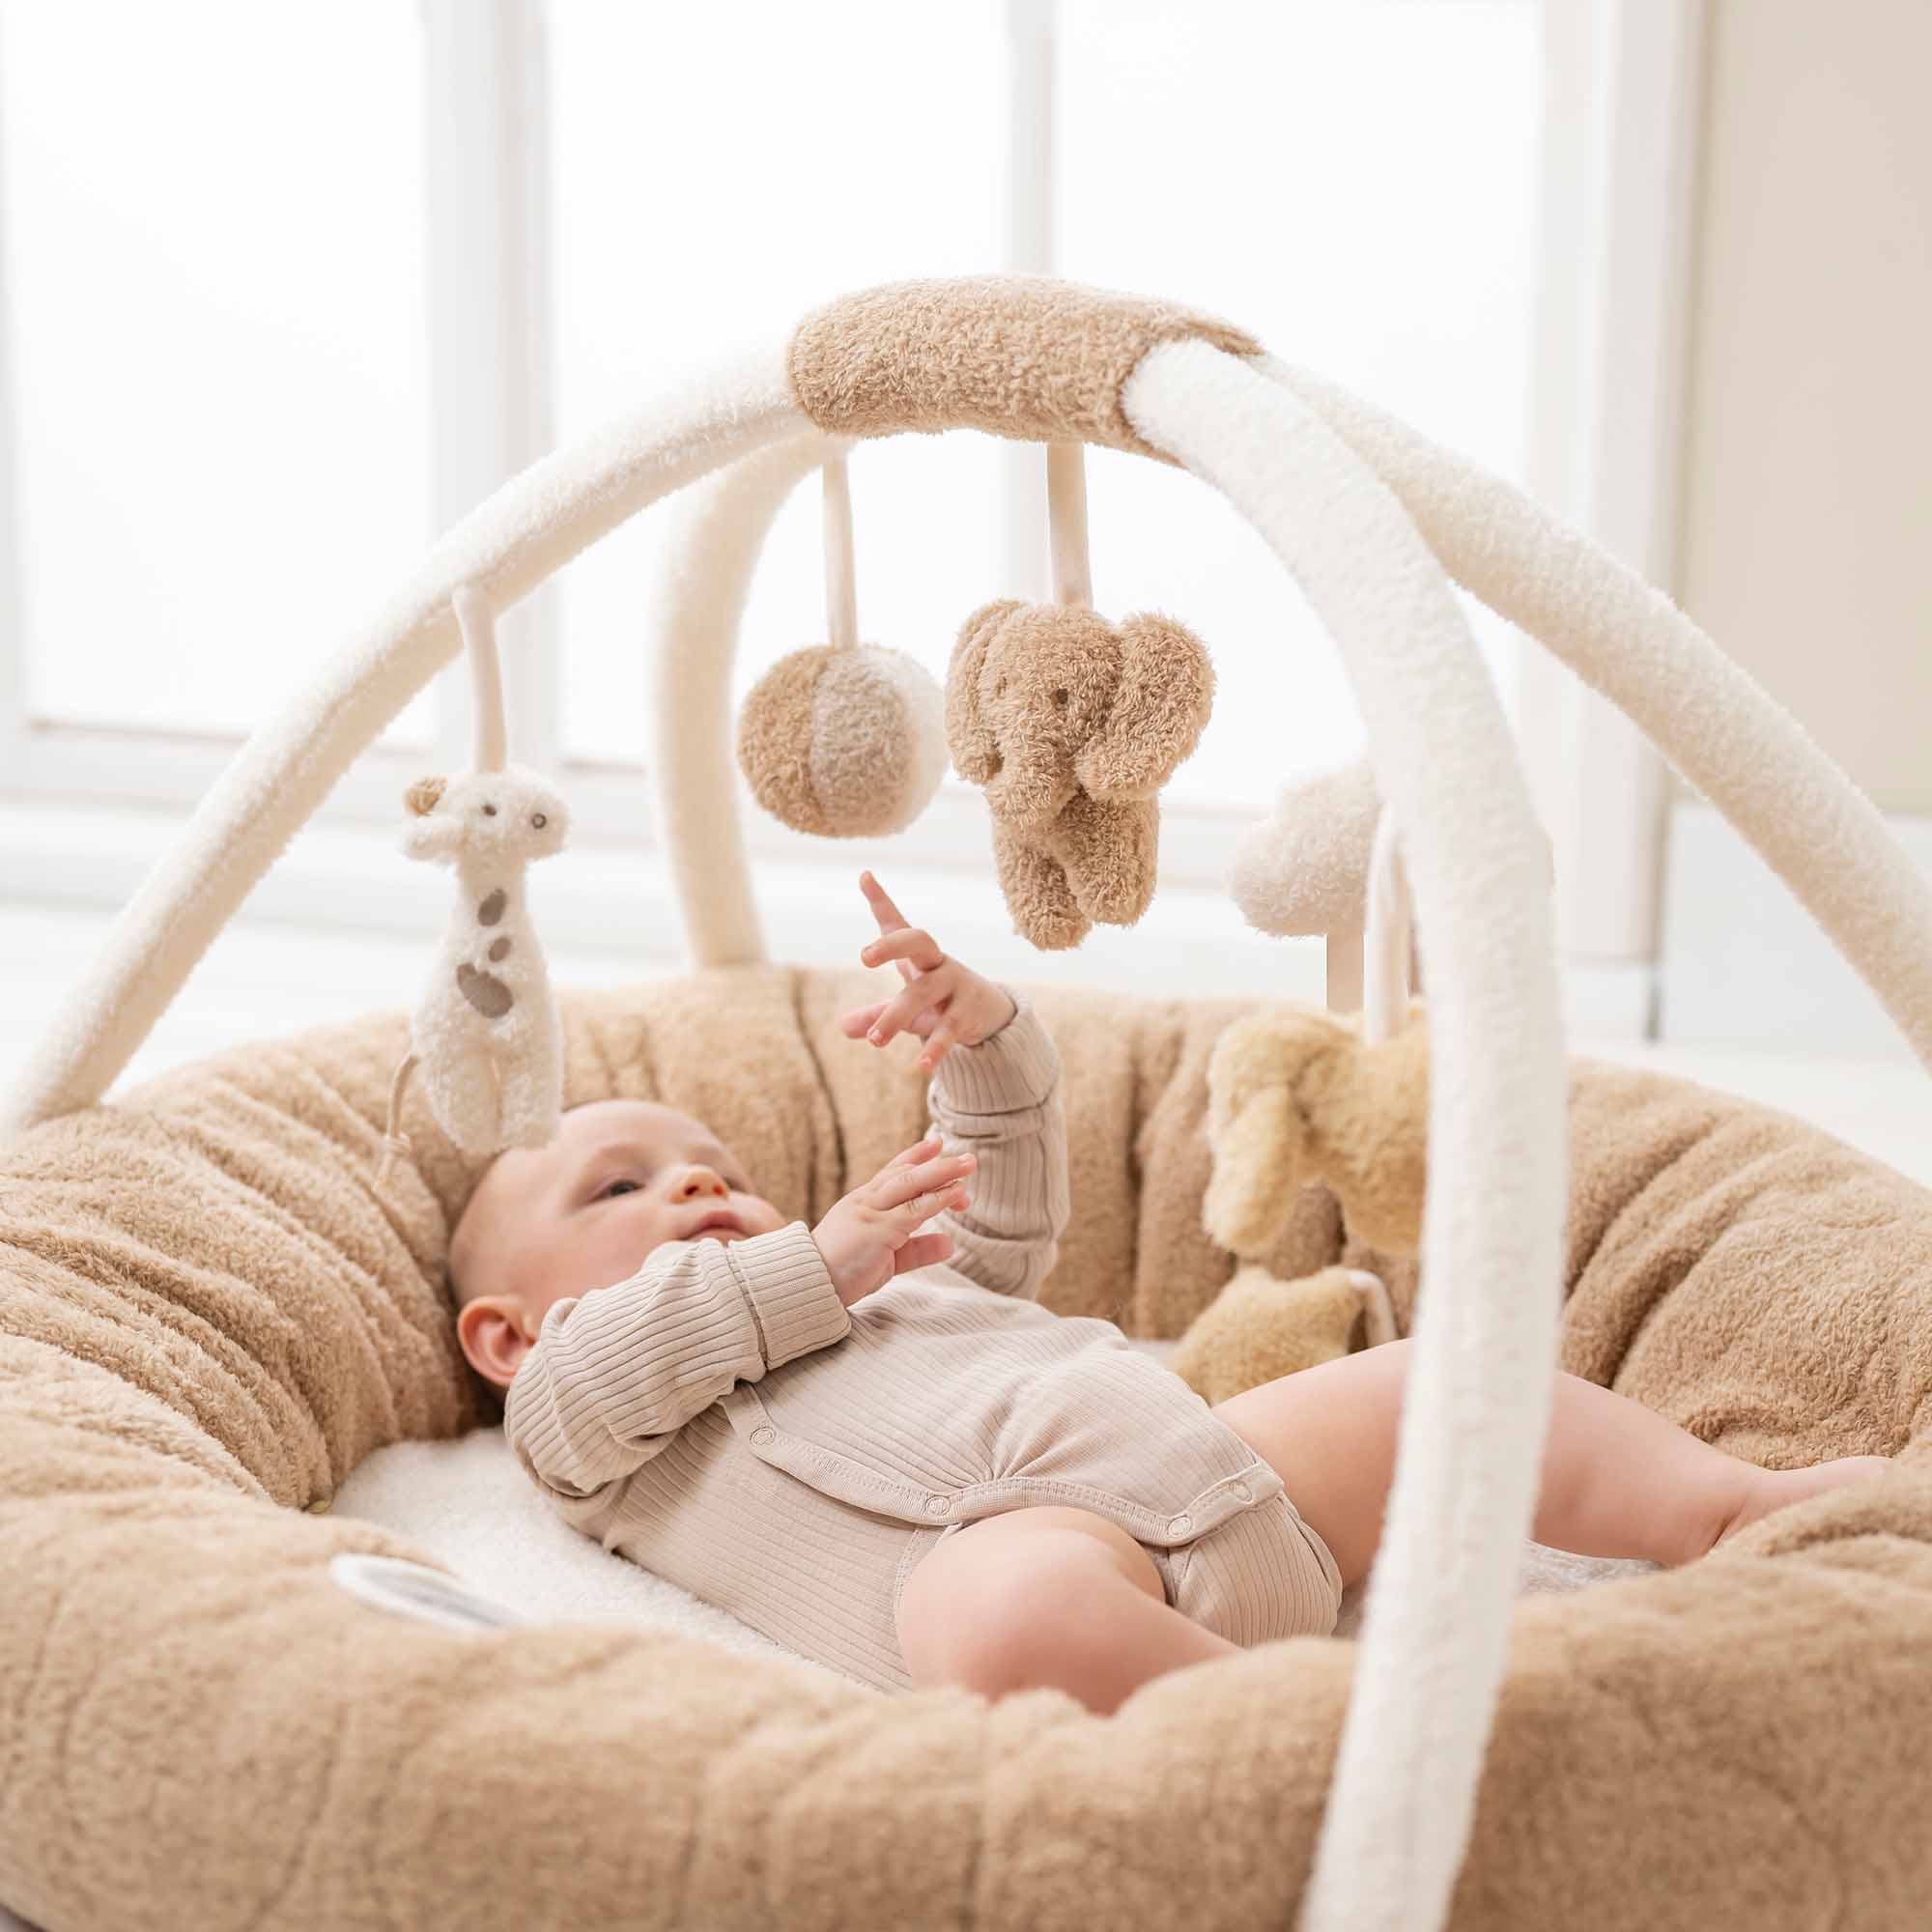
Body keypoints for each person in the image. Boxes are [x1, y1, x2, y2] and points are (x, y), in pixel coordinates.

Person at [449, 871, 1888, 1716]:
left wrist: (984, 1040)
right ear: (505, 1335)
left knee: (1442, 1389)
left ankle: (1730, 1510)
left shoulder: (878, 1291)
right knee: (993, 1619)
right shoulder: (583, 1419)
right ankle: (1309, 1743)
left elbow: (1001, 1198)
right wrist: (809, 1258)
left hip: (1227, 1469)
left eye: (711, 1168)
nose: (695, 1191)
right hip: (1041, 1558)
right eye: (621, 1190)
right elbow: (630, 1361)